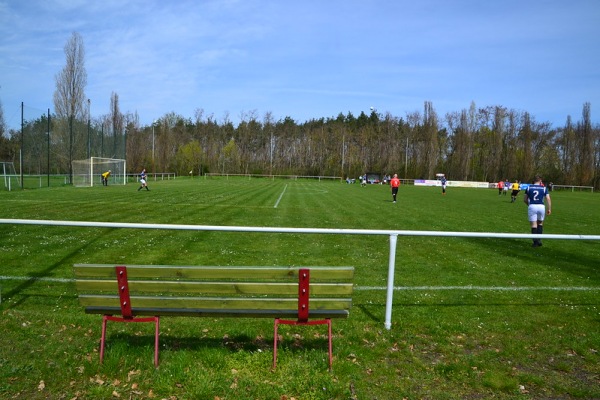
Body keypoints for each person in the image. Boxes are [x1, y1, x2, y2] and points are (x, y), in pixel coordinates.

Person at [524, 175, 551, 247]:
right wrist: (549, 208)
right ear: (540, 181)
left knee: (533, 225)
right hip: (541, 206)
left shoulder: (529, 187)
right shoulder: (544, 188)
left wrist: (529, 205)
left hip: (532, 206)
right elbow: (548, 199)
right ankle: (539, 240)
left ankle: (535, 242)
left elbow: (525, 200)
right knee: (540, 223)